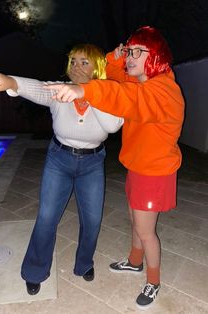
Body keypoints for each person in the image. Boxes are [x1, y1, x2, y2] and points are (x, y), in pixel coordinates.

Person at [42, 26, 185, 310]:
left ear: (154, 55)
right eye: (128, 50)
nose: (129, 57)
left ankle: (153, 281)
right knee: (135, 219)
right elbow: (115, 75)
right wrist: (116, 57)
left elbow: (122, 97)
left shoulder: (163, 92)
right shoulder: (142, 80)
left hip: (154, 171)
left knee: (146, 231)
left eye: (136, 52)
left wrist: (83, 89)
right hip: (138, 165)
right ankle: (134, 261)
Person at [0, 43, 123, 296]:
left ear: (98, 67)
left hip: (92, 163)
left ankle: (84, 264)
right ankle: (35, 271)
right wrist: (11, 81)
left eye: (84, 62)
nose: (76, 67)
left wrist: (86, 93)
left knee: (92, 220)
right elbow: (36, 88)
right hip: (60, 159)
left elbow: (111, 126)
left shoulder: (111, 93)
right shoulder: (60, 90)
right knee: (46, 218)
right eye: (73, 61)